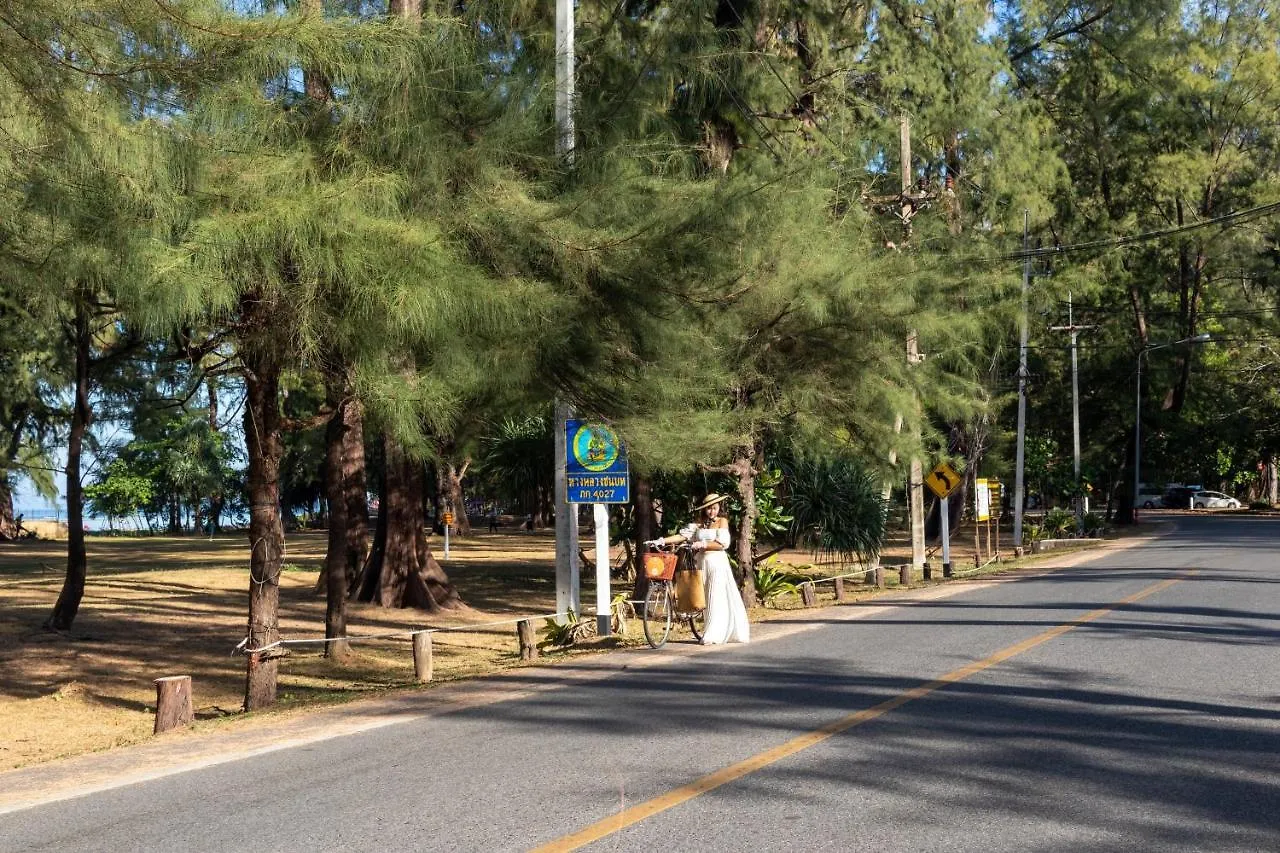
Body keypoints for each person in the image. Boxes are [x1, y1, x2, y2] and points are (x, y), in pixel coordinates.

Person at [646, 493, 749, 645]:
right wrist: (661, 540)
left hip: (716, 563)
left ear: (719, 508)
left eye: (714, 508)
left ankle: (715, 634)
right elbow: (681, 536)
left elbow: (723, 544)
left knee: (715, 595)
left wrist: (704, 544)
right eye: (708, 509)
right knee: (704, 597)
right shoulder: (699, 524)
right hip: (701, 563)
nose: (711, 512)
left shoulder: (722, 522)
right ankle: (709, 628)